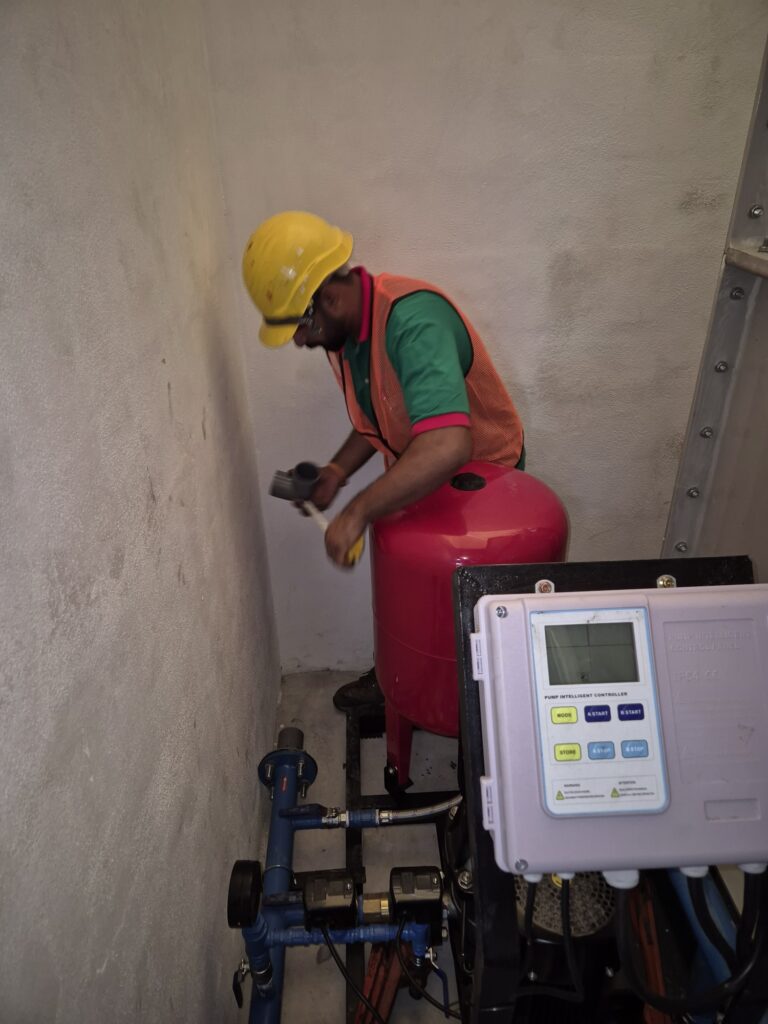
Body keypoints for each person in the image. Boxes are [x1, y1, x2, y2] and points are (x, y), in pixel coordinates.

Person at [242, 211, 525, 709]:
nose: (300, 341)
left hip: (485, 487)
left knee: (466, 618)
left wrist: (356, 512)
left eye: (300, 326)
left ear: (329, 298)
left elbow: (447, 445)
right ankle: (400, 678)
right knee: (412, 598)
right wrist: (337, 473)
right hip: (424, 477)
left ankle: (473, 711)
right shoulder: (347, 336)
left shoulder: (414, 322)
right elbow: (381, 412)